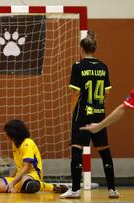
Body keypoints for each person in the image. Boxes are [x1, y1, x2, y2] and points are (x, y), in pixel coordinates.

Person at [60, 30, 119, 199]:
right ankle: (112, 189)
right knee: (104, 150)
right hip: (99, 114)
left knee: (77, 149)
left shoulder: (78, 66)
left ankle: (75, 190)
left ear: (81, 48)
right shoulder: (103, 66)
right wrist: (100, 107)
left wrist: (71, 111)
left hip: (82, 114)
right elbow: (107, 93)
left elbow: (75, 93)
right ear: (95, 48)